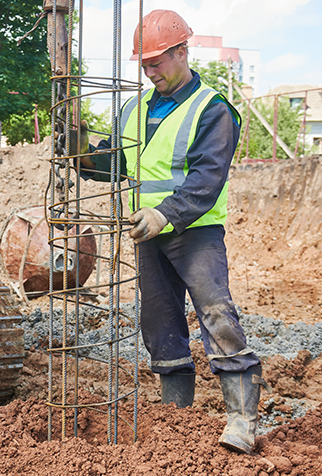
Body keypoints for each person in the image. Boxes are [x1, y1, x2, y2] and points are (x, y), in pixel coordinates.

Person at [75, 9, 264, 454]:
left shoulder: (213, 109)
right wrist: (81, 151)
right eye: (144, 64)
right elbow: (116, 162)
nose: (150, 71)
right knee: (160, 323)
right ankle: (174, 418)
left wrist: (165, 213)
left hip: (194, 231)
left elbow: (207, 178)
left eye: (158, 61)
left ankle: (241, 419)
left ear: (183, 52)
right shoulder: (134, 107)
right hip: (149, 233)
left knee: (216, 313)